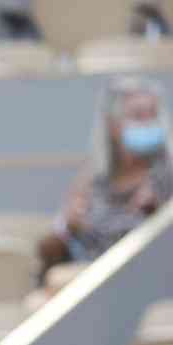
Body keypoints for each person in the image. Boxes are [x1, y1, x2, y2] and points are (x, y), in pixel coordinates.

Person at [40, 75, 173, 273]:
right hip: (90, 274)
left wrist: (157, 215)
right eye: (138, 116)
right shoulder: (93, 178)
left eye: (153, 115)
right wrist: (70, 225)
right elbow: (54, 242)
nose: (148, 123)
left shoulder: (165, 176)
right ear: (112, 124)